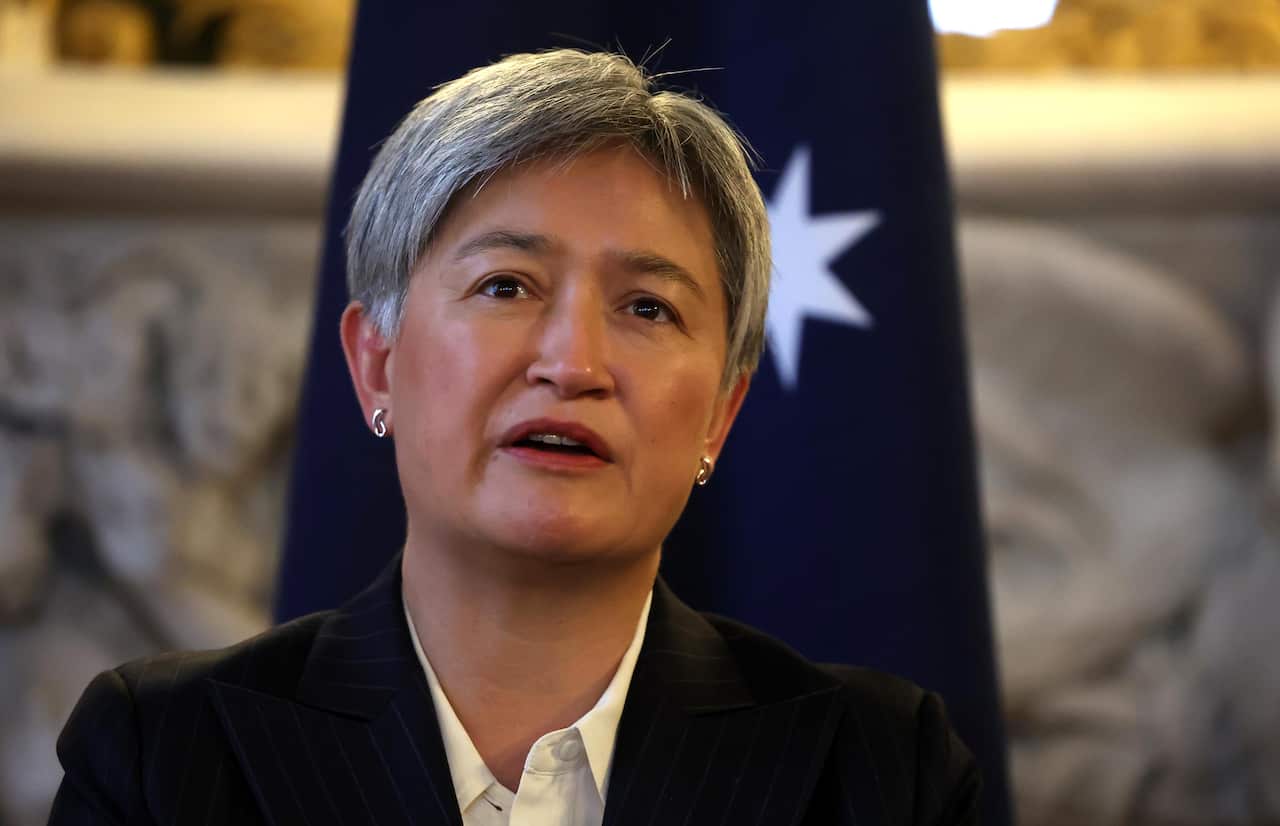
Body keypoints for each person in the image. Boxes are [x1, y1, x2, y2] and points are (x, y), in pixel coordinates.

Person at [48, 49, 980, 826]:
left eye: (648, 307)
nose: (573, 363)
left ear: (721, 416)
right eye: (506, 286)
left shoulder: (879, 772)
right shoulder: (163, 757)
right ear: (376, 365)